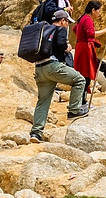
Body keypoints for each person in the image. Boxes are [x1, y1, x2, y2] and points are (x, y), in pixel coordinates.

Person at [30, 9, 88, 142]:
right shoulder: (60, 29)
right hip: (52, 66)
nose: (68, 25)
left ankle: (36, 133)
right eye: (68, 22)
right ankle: (74, 110)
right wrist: (67, 47)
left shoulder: (44, 30)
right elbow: (61, 46)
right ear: (63, 21)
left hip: (39, 69)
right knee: (79, 80)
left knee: (43, 102)